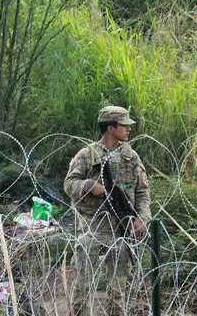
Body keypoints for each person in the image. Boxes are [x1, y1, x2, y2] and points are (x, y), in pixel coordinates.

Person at [64, 106, 151, 316]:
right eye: (124, 126)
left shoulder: (131, 156)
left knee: (118, 286)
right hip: (92, 226)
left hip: (122, 228)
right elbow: (69, 185)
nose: (129, 130)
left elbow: (142, 192)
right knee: (83, 283)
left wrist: (142, 218)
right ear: (111, 128)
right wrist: (90, 187)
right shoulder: (87, 154)